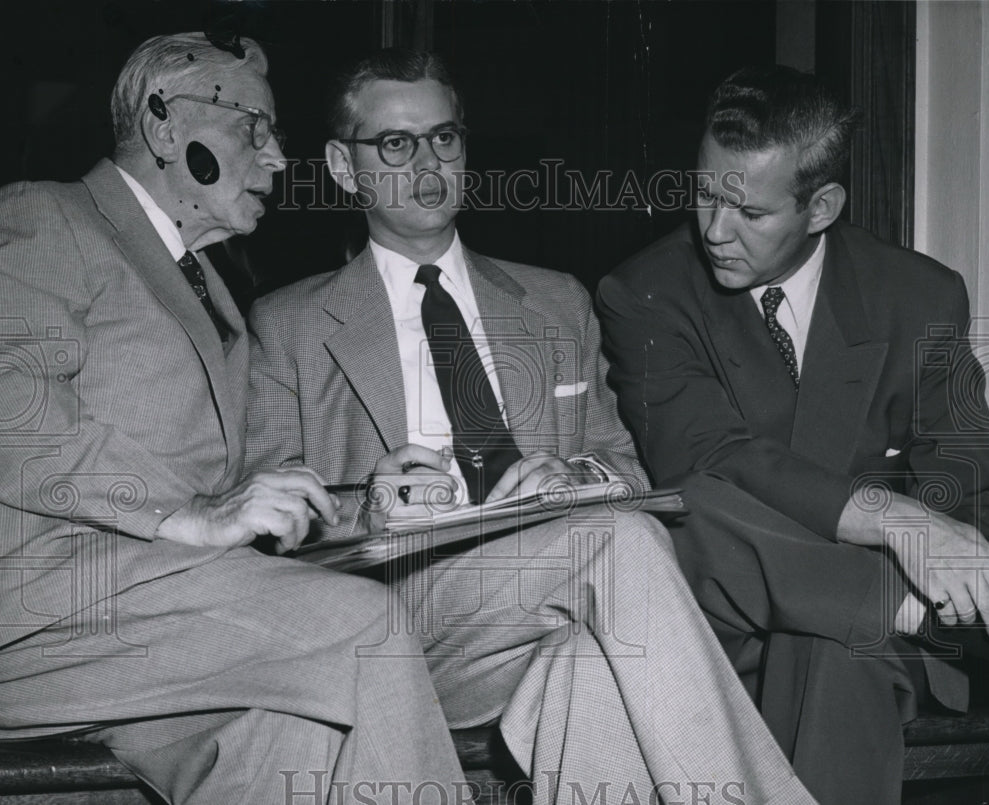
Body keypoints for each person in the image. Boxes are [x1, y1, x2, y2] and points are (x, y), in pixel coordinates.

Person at [246, 48, 818, 805]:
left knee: (593, 668)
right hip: (394, 630)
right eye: (396, 143)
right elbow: (266, 537)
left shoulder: (555, 301)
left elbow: (626, 468)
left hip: (550, 613)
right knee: (620, 544)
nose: (428, 162)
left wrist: (572, 480)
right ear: (344, 168)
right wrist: (366, 510)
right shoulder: (286, 326)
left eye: (444, 137)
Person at [0, 33, 466, 805]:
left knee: (303, 730)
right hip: (43, 619)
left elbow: (233, 489)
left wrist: (360, 502)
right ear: (164, 126)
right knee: (362, 625)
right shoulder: (49, 217)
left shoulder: (210, 290)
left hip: (157, 623)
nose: (278, 158)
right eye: (254, 127)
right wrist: (183, 515)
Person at [597, 64, 989, 804]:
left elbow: (969, 490)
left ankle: (880, 609)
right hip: (732, 628)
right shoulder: (646, 292)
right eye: (705, 194)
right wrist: (891, 520)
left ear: (821, 208)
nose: (714, 231)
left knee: (833, 647)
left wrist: (955, 557)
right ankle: (886, 602)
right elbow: (710, 461)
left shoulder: (918, 295)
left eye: (749, 212)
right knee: (690, 503)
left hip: (897, 647)